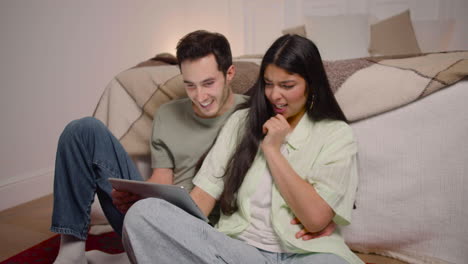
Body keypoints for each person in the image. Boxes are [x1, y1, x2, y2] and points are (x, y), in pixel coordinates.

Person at [122, 34, 363, 264]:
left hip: (307, 255)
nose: (275, 95)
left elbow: (315, 220)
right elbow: (203, 198)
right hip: (240, 252)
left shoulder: (336, 134)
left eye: (287, 85)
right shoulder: (241, 122)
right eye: (268, 84)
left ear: (311, 84)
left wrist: (272, 150)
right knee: (144, 213)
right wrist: (160, 210)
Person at [50, 30, 247, 264]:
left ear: (230, 73)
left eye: (208, 83)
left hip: (214, 232)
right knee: (82, 130)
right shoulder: (167, 114)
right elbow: (162, 177)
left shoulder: (249, 115)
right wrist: (135, 195)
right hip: (156, 218)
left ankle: (127, 259)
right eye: (190, 85)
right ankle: (71, 252)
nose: (200, 95)